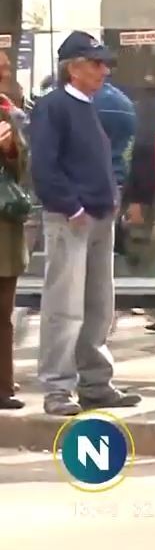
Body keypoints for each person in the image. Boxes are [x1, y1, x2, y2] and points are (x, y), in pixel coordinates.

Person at [30, 31, 142, 416]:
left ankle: (96, 383)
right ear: (73, 68)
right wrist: (70, 205)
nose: (103, 70)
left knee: (98, 304)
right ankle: (58, 388)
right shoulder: (54, 106)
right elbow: (43, 165)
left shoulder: (87, 105)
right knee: (64, 305)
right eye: (95, 63)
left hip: (97, 215)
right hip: (70, 217)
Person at [0, 53, 28, 410]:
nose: (4, 74)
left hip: (4, 232)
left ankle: (3, 386)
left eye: (6, 69)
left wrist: (9, 149)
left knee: (3, 313)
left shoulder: (8, 112)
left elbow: (23, 170)